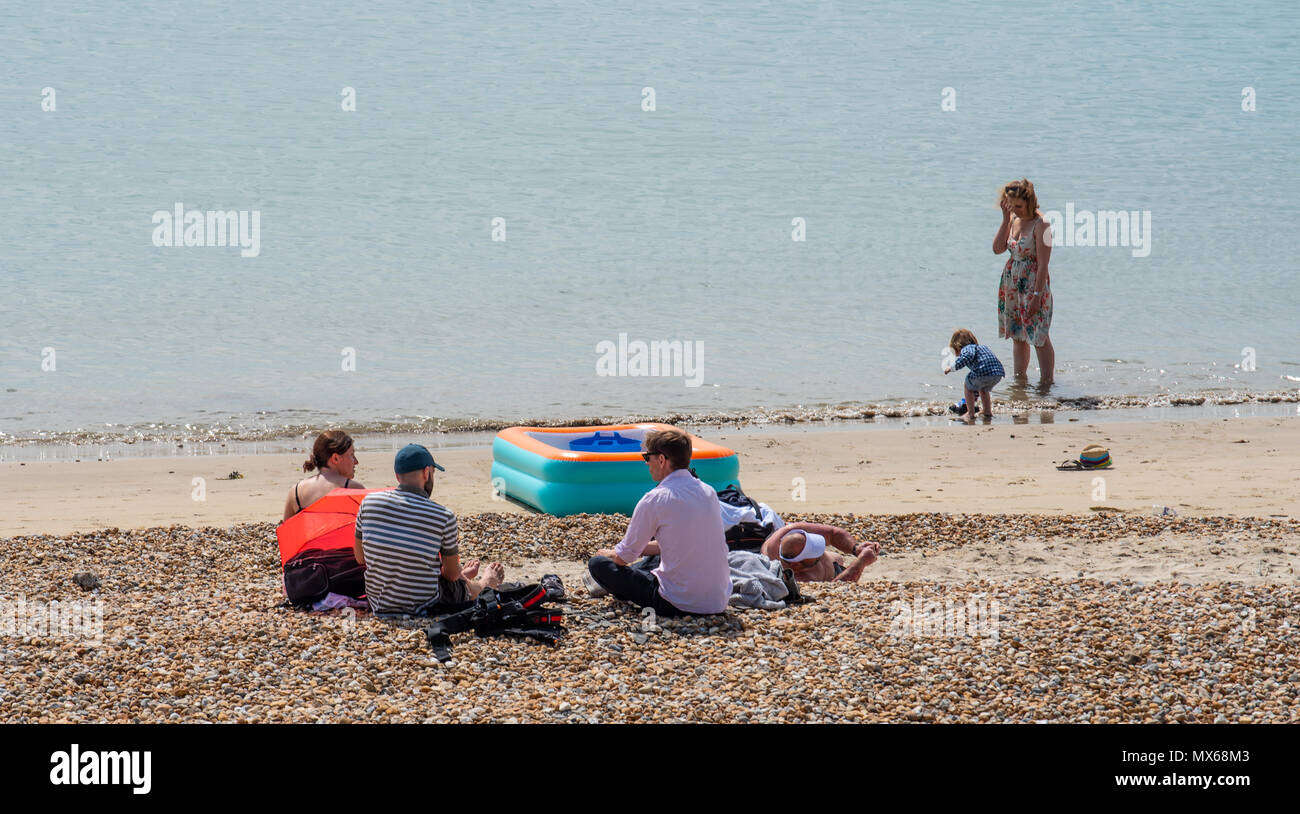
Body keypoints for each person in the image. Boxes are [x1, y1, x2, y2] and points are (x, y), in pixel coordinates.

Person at [589, 427, 730, 617]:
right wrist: (638, 550)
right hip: (717, 601)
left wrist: (611, 554)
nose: (647, 464)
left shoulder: (655, 499)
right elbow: (681, 541)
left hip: (677, 603)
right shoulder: (708, 492)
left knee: (598, 564)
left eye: (648, 458)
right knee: (655, 557)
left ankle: (610, 585)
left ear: (661, 459)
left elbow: (624, 558)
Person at [353, 443, 504, 615]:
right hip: (424, 605)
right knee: (460, 585)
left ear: (397, 476)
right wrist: (457, 575)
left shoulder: (368, 502)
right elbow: (451, 575)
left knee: (427, 567)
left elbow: (360, 558)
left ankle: (464, 577)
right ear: (426, 472)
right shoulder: (443, 516)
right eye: (433, 473)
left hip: (379, 603)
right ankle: (485, 584)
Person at [993, 178, 1055, 382]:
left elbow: (1044, 264)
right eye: (1011, 205)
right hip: (1012, 283)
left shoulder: (1042, 224)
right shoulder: (1011, 219)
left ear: (1029, 201)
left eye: (1018, 206)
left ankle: (1047, 383)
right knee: (1018, 336)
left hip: (1033, 283)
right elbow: (998, 249)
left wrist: (1037, 296)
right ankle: (1020, 383)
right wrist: (1004, 220)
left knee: (1038, 336)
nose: (1015, 209)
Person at [283, 430, 365, 520]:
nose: (356, 462)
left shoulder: (295, 492)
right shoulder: (355, 490)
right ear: (335, 458)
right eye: (352, 455)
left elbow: (286, 531)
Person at [760, 523, 879, 583]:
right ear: (796, 565)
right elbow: (835, 588)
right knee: (837, 559)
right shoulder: (796, 580)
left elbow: (832, 533)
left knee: (837, 557)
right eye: (814, 555)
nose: (818, 553)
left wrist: (856, 548)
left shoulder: (790, 533)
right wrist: (861, 562)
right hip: (831, 576)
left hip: (831, 565)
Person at [944, 328, 1005, 423]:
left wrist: (952, 368)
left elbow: (966, 357)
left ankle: (970, 413)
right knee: (983, 389)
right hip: (997, 373)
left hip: (984, 372)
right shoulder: (982, 347)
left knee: (967, 384)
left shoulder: (967, 349)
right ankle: (987, 411)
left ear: (957, 346)